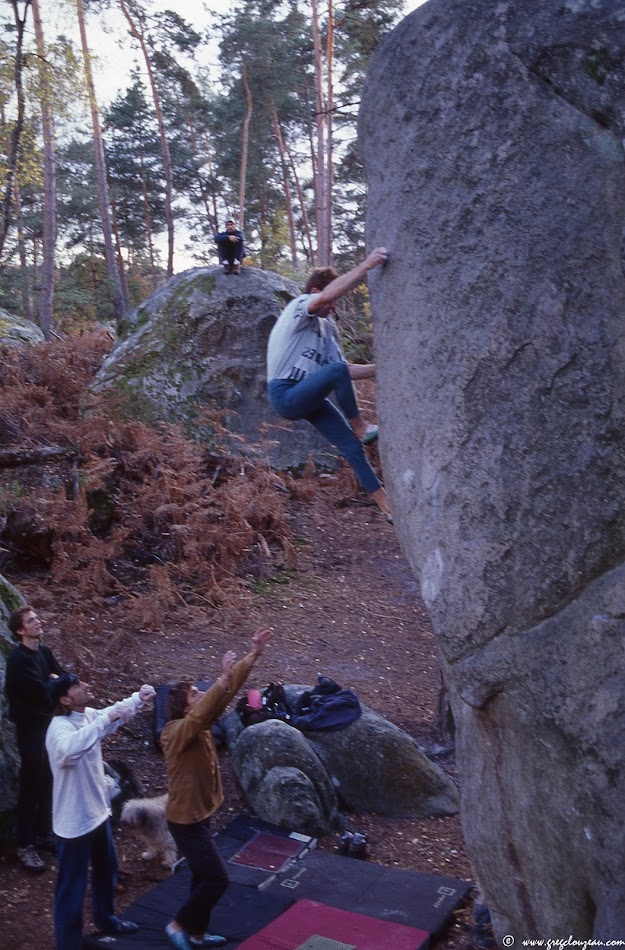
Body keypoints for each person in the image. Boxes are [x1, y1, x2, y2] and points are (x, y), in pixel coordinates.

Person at [161, 627, 272, 950]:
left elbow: (223, 694)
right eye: (195, 693)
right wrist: (221, 680)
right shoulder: (175, 732)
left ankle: (196, 933)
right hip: (184, 822)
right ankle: (177, 924)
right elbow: (202, 714)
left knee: (200, 876)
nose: (201, 695)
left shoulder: (201, 721)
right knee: (217, 878)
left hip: (201, 814)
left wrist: (253, 655)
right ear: (184, 707)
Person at [266, 247, 392, 520]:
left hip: (307, 396)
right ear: (314, 290)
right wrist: (366, 266)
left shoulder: (326, 332)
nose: (334, 306)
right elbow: (327, 296)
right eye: (331, 300)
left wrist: (383, 369)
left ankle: (385, 504)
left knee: (350, 446)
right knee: (338, 380)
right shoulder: (299, 306)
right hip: (284, 394)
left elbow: (344, 371)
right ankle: (361, 427)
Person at [45, 672, 156, 950]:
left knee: (108, 870)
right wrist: (104, 721)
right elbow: (69, 750)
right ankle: (68, 944)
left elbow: (108, 716)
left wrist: (136, 700)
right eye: (78, 686)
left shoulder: (88, 715)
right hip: (73, 824)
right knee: (71, 888)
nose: (86, 686)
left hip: (98, 815)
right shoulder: (58, 729)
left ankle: (106, 919)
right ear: (65, 699)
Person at [5, 605, 64, 872]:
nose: (38, 622)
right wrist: (53, 684)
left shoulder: (44, 651)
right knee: (31, 785)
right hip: (30, 729)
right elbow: (40, 693)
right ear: (20, 630)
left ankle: (44, 834)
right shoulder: (18, 660)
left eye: (37, 617)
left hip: (48, 725)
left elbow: (63, 678)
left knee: (48, 780)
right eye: (31, 620)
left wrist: (54, 682)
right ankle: (24, 845)